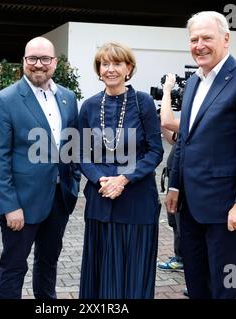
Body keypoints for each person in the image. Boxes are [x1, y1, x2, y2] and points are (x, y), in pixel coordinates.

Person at [165, 11, 236, 299]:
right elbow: (185, 139)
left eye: (206, 38)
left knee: (225, 286)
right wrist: (174, 184)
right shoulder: (193, 83)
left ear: (225, 39)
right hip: (189, 208)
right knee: (197, 284)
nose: (199, 45)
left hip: (227, 210)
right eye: (194, 39)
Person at [0, 37, 80, 299]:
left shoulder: (68, 98)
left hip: (59, 200)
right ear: (24, 61)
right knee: (14, 266)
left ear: (55, 62)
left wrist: (74, 182)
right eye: (32, 59)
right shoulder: (4, 100)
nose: (39, 65)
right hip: (21, 205)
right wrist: (9, 206)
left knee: (49, 262)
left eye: (45, 59)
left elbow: (72, 146)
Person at [78, 42, 163, 299]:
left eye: (117, 63)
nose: (110, 69)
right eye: (105, 64)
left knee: (134, 270)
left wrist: (125, 178)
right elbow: (80, 153)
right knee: (101, 270)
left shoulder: (143, 102)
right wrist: (100, 178)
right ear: (99, 69)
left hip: (137, 200)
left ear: (129, 68)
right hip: (101, 197)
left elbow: (155, 151)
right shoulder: (89, 106)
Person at [158, 74, 184, 273]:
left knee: (182, 221)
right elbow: (173, 139)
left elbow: (168, 121)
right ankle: (180, 256)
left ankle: (185, 258)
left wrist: (167, 90)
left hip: (184, 180)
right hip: (174, 177)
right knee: (175, 220)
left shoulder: (194, 115)